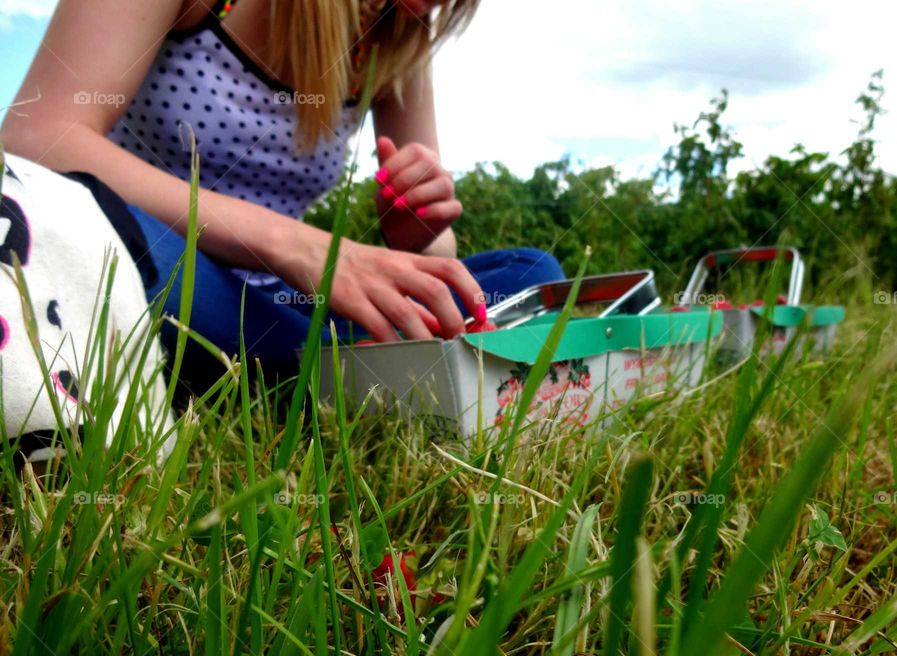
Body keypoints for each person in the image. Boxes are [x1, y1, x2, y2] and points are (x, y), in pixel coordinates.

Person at [1, 0, 564, 385]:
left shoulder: (398, 35)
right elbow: (36, 137)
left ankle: (301, 368)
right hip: (163, 263)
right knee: (85, 241)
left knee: (528, 277)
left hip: (287, 304)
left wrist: (416, 237)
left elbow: (438, 257)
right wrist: (295, 245)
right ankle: (336, 371)